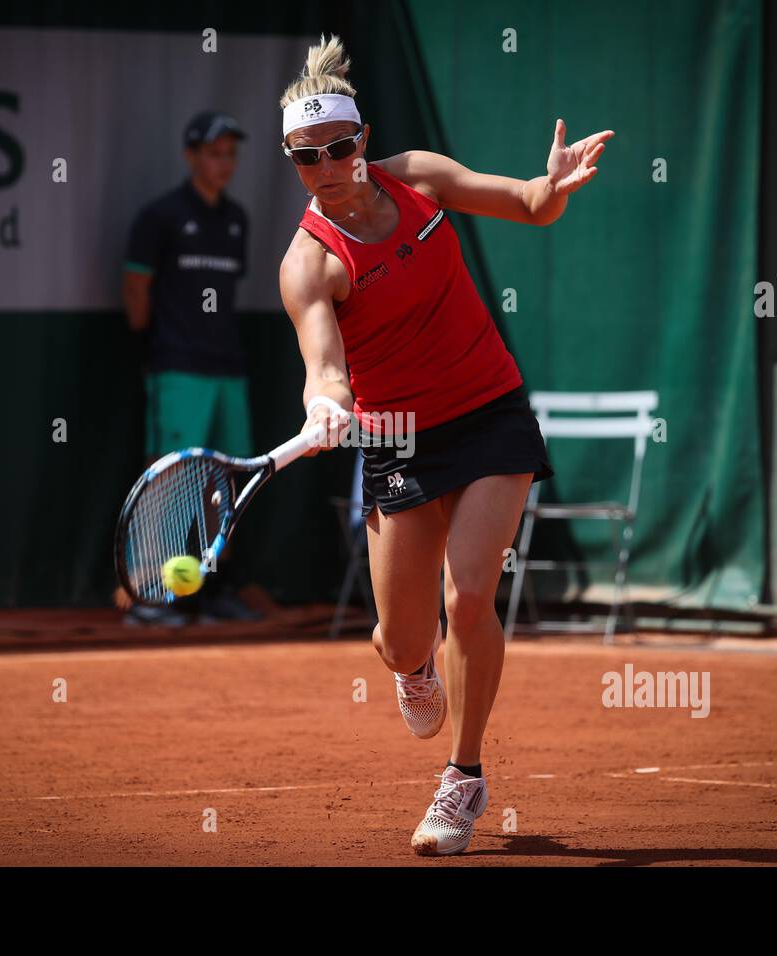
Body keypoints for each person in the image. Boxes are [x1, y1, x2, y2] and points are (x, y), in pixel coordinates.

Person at [276, 35, 612, 856]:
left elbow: (530, 203)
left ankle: (464, 779)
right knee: (401, 639)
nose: (329, 164)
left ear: (364, 139)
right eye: (306, 155)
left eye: (342, 146)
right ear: (293, 161)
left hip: (488, 408)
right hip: (395, 437)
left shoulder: (418, 177)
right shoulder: (309, 265)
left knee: (470, 594)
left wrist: (554, 184)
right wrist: (325, 406)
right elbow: (324, 370)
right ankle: (412, 668)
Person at [117, 110, 262, 625]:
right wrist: (159, 348)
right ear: (191, 156)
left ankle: (212, 588)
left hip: (229, 370)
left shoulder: (237, 219)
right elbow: (136, 291)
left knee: (225, 483)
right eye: (214, 153)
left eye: (230, 154)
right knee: (168, 480)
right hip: (177, 370)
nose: (224, 163)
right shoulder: (160, 217)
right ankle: (149, 596)